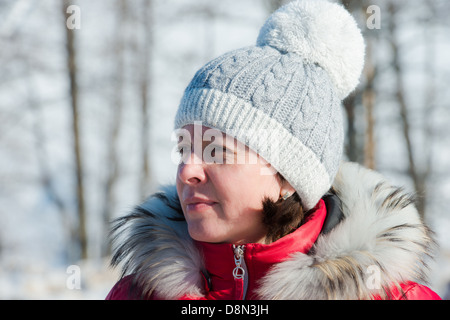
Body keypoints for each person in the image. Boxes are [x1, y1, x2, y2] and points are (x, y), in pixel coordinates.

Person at [106, 0, 441, 300]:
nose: (187, 170)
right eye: (183, 148)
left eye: (217, 151)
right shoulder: (138, 294)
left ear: (288, 177)